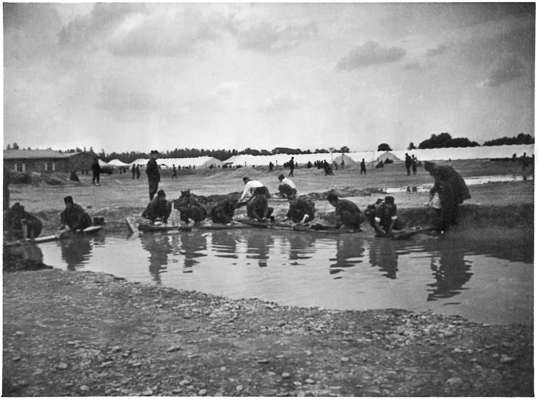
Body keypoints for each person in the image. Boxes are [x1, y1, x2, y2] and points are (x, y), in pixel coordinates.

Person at [424, 161, 470, 231]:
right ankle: (451, 225)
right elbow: (437, 185)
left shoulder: (439, 171)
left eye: (429, 171)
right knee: (450, 206)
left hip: (454, 189)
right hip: (455, 188)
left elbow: (439, 185)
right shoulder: (440, 170)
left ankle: (446, 227)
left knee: (448, 206)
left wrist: (434, 195)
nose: (430, 174)